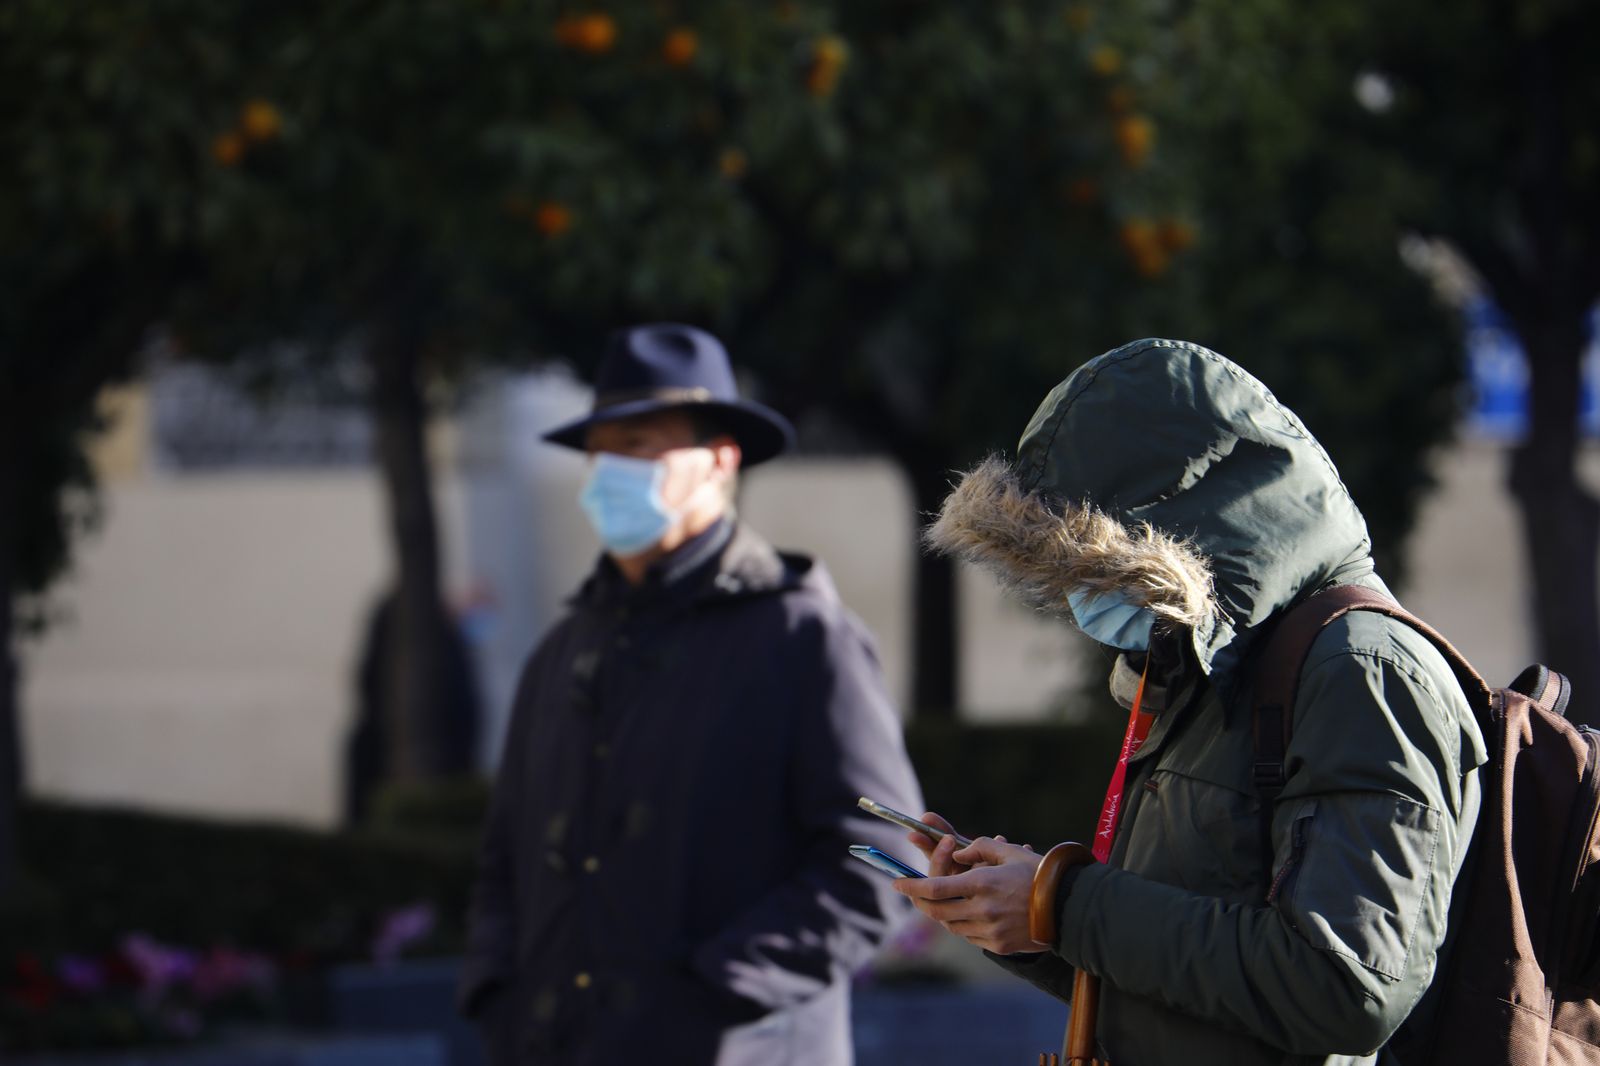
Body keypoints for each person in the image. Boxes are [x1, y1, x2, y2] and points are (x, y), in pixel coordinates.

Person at [894, 339, 1485, 1065]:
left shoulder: (1363, 670)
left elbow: (1346, 988)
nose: (1083, 596)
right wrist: (1026, 918)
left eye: (1099, 563)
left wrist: (1066, 903)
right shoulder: (1213, 671)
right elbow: (1190, 981)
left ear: (1184, 527)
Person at [458, 323, 923, 1065]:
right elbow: (503, 861)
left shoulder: (801, 636)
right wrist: (497, 992)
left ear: (719, 460)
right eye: (599, 450)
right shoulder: (564, 651)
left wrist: (720, 988)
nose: (610, 470)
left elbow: (882, 856)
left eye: (639, 446)